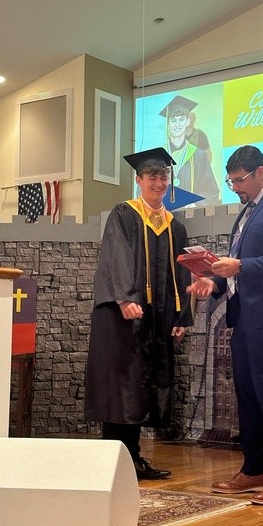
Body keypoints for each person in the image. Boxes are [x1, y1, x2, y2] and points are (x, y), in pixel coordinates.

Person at [188, 145, 263, 505]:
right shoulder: (247, 212)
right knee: (247, 392)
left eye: (239, 180)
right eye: (230, 182)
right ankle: (254, 469)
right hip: (244, 313)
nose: (235, 187)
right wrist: (213, 282)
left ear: (259, 172)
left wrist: (238, 266)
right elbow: (237, 266)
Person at [85, 147, 193, 480]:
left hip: (156, 321)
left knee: (140, 388)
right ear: (139, 180)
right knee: (122, 387)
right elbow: (116, 256)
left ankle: (131, 459)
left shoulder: (175, 227)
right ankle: (114, 463)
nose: (159, 183)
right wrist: (124, 298)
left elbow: (182, 274)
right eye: (152, 177)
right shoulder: (124, 214)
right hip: (124, 317)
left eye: (164, 177)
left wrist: (181, 317)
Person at [160, 95, 220, 206]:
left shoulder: (199, 155)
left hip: (191, 214)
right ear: (168, 123)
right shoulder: (157, 157)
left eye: (181, 119)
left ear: (188, 121)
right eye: (173, 120)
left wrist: (195, 204)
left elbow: (211, 192)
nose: (177, 125)